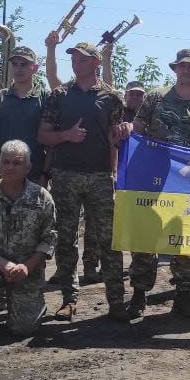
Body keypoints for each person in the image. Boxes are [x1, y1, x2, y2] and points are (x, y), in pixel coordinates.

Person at [38, 41, 127, 321]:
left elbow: (115, 139)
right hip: (65, 176)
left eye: (82, 58)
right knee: (66, 240)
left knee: (108, 240)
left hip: (100, 176)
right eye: (74, 58)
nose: (76, 62)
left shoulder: (112, 97)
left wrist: (124, 134)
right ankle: (68, 299)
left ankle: (116, 300)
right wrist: (66, 136)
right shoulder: (59, 95)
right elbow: (43, 135)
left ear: (96, 63)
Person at [133, 48, 190, 317]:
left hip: (187, 184)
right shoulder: (156, 97)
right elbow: (137, 131)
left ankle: (183, 292)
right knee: (147, 236)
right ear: (176, 69)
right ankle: (138, 292)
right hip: (154, 179)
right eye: (182, 66)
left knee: (184, 237)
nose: (186, 71)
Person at [0, 140, 57, 337]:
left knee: (24, 329)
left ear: (28, 167)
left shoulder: (42, 197)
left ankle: (28, 304)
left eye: (17, 163)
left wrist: (26, 267)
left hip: (26, 271)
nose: (10, 167)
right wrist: (2, 263)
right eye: (6, 162)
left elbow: (49, 240)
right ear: (0, 164)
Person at [0, 46, 48, 183]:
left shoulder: (45, 97)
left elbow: (50, 143)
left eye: (24, 64)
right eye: (15, 64)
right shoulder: (0, 97)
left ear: (35, 67)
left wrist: (45, 174)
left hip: (33, 172)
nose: (18, 68)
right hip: (2, 173)